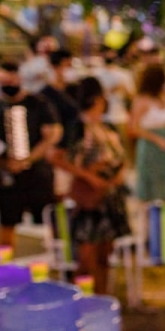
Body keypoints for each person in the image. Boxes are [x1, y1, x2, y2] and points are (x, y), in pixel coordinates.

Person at [62, 78, 131, 294]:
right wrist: (90, 176)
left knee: (104, 254)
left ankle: (101, 296)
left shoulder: (106, 126)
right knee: (87, 255)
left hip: (110, 197)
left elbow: (120, 156)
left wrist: (118, 172)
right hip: (90, 199)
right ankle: (81, 299)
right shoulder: (77, 128)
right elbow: (61, 158)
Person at [0, 61, 62, 250]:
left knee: (47, 218)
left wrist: (28, 159)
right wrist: (4, 163)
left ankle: (57, 262)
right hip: (9, 177)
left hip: (37, 174)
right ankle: (4, 267)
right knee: (7, 222)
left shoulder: (38, 103)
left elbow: (52, 134)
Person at [128, 64, 165, 203]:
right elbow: (133, 128)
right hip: (150, 146)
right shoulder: (141, 100)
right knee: (150, 188)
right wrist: (156, 139)